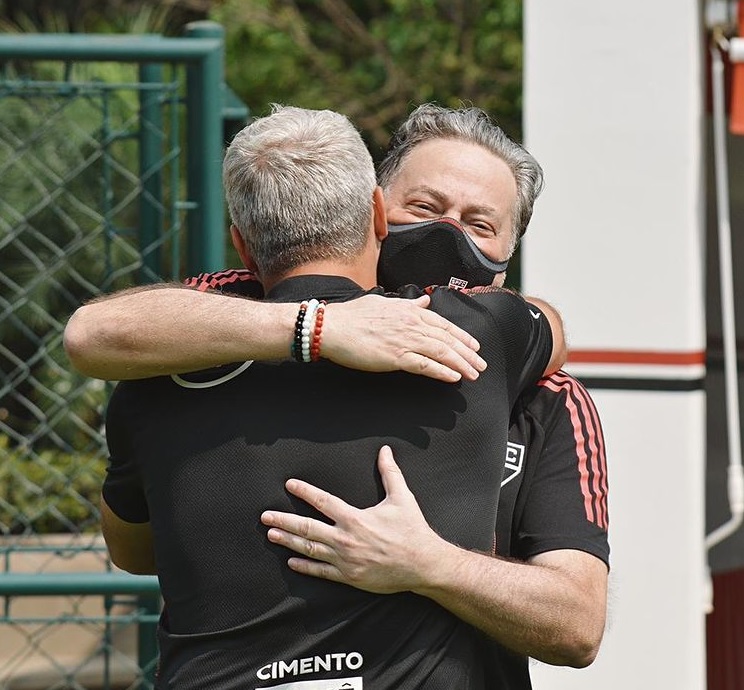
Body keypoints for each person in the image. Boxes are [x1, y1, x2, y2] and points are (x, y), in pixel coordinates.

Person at [64, 103, 608, 688]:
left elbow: (577, 626)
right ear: (377, 207)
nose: (447, 236)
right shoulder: (202, 330)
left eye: (480, 225)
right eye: (424, 208)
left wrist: (430, 564)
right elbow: (100, 333)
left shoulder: (533, 384)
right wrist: (318, 328)